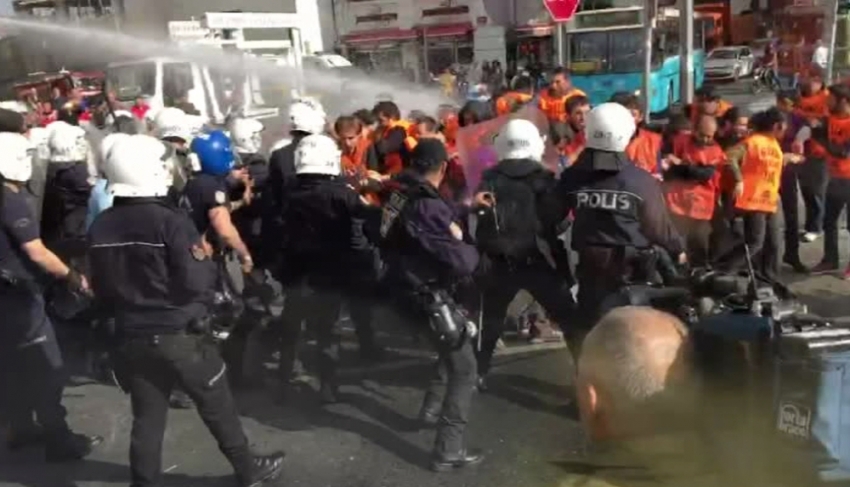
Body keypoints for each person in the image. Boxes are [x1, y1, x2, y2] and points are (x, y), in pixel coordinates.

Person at [86, 134, 284, 487]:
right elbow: (195, 279)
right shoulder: (170, 221)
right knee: (217, 405)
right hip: (178, 332)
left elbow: (99, 284)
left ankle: (144, 482)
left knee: (147, 418)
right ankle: (249, 471)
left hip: (131, 334)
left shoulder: (102, 224)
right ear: (154, 172)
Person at [539, 103, 685, 352]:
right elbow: (657, 227)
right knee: (635, 330)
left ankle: (588, 378)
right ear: (627, 134)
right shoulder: (640, 181)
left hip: (591, 264)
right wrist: (678, 249)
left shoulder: (573, 177)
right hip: (633, 269)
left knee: (590, 325)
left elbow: (551, 216)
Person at [377, 138, 483, 471]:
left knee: (449, 348)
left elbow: (429, 217)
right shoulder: (425, 205)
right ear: (443, 166)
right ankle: (448, 450)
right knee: (465, 368)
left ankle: (430, 411)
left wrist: (465, 208)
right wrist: (467, 244)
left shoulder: (400, 190)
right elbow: (461, 260)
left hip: (402, 285)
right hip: (425, 292)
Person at [0, 131, 102, 462]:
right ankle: (59, 440)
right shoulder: (9, 199)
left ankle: (20, 428)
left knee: (11, 365)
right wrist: (72, 277)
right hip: (18, 296)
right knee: (45, 366)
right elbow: (36, 251)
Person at [278, 134, 381, 402]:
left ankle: (284, 379)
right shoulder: (343, 195)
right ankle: (327, 386)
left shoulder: (289, 191)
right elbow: (368, 226)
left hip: (296, 272)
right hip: (331, 273)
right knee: (328, 332)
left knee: (292, 328)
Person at [473, 119, 574, 390]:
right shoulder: (545, 179)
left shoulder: (489, 178)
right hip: (537, 257)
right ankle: (586, 373)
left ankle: (478, 372)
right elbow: (558, 219)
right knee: (568, 318)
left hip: (499, 259)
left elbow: (480, 216)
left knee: (491, 320)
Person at [719, 107, 801, 281]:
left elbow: (764, 165)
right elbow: (729, 157)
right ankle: (724, 268)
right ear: (777, 125)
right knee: (755, 242)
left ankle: (769, 278)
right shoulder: (753, 141)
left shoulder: (772, 143)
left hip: (769, 200)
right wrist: (739, 180)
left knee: (773, 242)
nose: (786, 130)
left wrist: (787, 158)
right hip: (753, 200)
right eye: (784, 126)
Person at [264, 98, 327, 274]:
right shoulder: (326, 149)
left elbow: (274, 198)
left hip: (292, 231)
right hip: (323, 228)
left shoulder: (279, 155)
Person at [663, 114, 726, 266]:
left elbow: (704, 175)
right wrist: (687, 168)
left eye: (709, 137)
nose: (705, 140)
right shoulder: (680, 141)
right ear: (694, 131)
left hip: (701, 205)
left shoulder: (715, 151)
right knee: (672, 242)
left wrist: (681, 165)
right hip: (677, 201)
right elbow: (668, 170)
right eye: (702, 135)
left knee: (698, 244)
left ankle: (699, 274)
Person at [776, 90, 810, 273]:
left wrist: (800, 140)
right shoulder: (770, 117)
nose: (788, 107)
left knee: (791, 215)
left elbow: (808, 128)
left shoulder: (796, 117)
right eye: (785, 103)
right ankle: (763, 258)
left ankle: (792, 254)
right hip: (769, 172)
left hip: (787, 172)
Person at [611, 92, 663, 177]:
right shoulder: (598, 141)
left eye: (632, 114)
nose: (627, 119)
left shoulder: (654, 141)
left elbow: (659, 173)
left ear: (640, 117)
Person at [371, 100, 418, 176]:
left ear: (391, 117)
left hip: (399, 173)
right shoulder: (388, 130)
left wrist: (377, 135)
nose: (379, 124)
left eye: (380, 120)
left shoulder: (399, 131)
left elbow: (383, 149)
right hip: (389, 171)